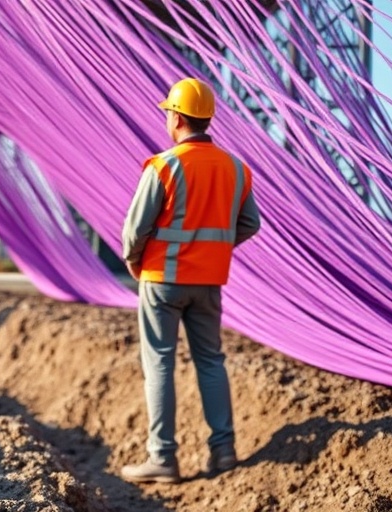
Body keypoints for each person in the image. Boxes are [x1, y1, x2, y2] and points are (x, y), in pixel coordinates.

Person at [120, 77, 262, 484]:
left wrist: (134, 261)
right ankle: (224, 451)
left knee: (159, 363)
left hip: (162, 280)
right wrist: (213, 249)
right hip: (209, 282)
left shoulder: (163, 166)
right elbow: (250, 222)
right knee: (211, 361)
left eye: (168, 112)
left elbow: (134, 231)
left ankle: (162, 457)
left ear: (177, 117)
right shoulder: (236, 168)